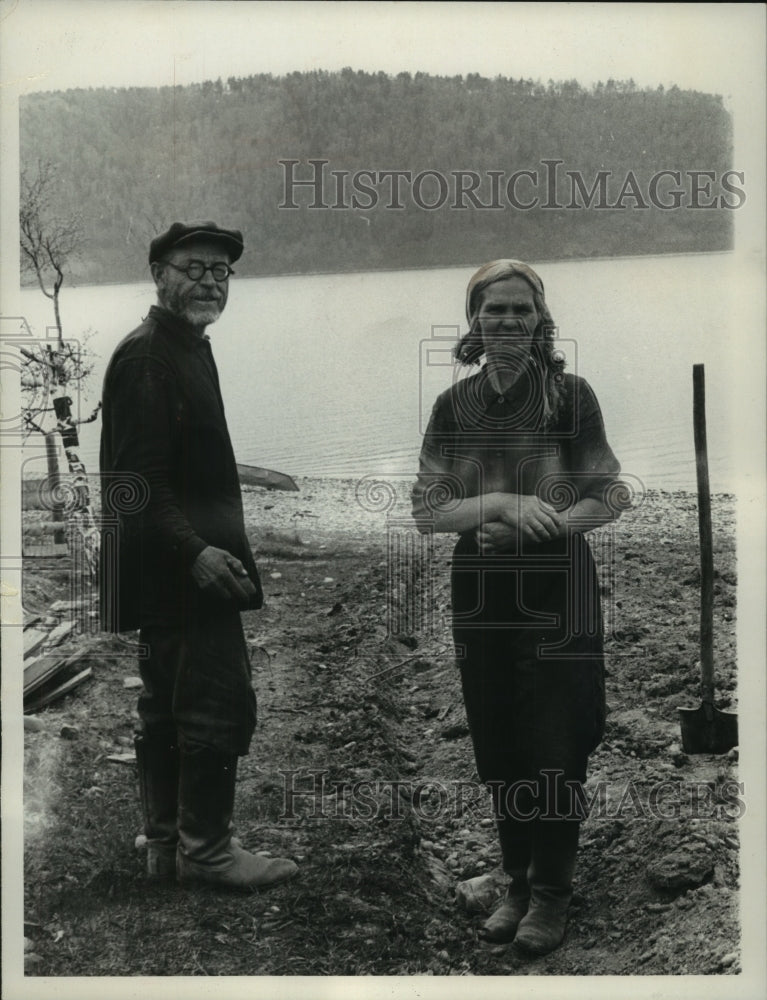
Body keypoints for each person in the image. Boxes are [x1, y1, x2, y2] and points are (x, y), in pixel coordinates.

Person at [412, 260, 622, 955]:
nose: (506, 322)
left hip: (556, 587)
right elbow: (427, 510)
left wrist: (552, 523)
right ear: (473, 320)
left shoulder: (569, 397)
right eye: (493, 310)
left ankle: (553, 892)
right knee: (499, 739)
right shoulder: (452, 409)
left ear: (540, 321)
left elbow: (608, 494)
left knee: (554, 741)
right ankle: (516, 880)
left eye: (520, 310)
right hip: (482, 591)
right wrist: (502, 503)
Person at [99, 221, 297, 892]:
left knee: (165, 707)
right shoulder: (150, 356)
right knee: (214, 703)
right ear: (159, 272)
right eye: (194, 267)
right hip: (181, 570)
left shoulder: (183, 345)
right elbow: (136, 481)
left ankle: (165, 846)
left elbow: (167, 462)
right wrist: (197, 553)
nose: (209, 281)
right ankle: (207, 852)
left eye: (221, 272)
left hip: (165, 568)